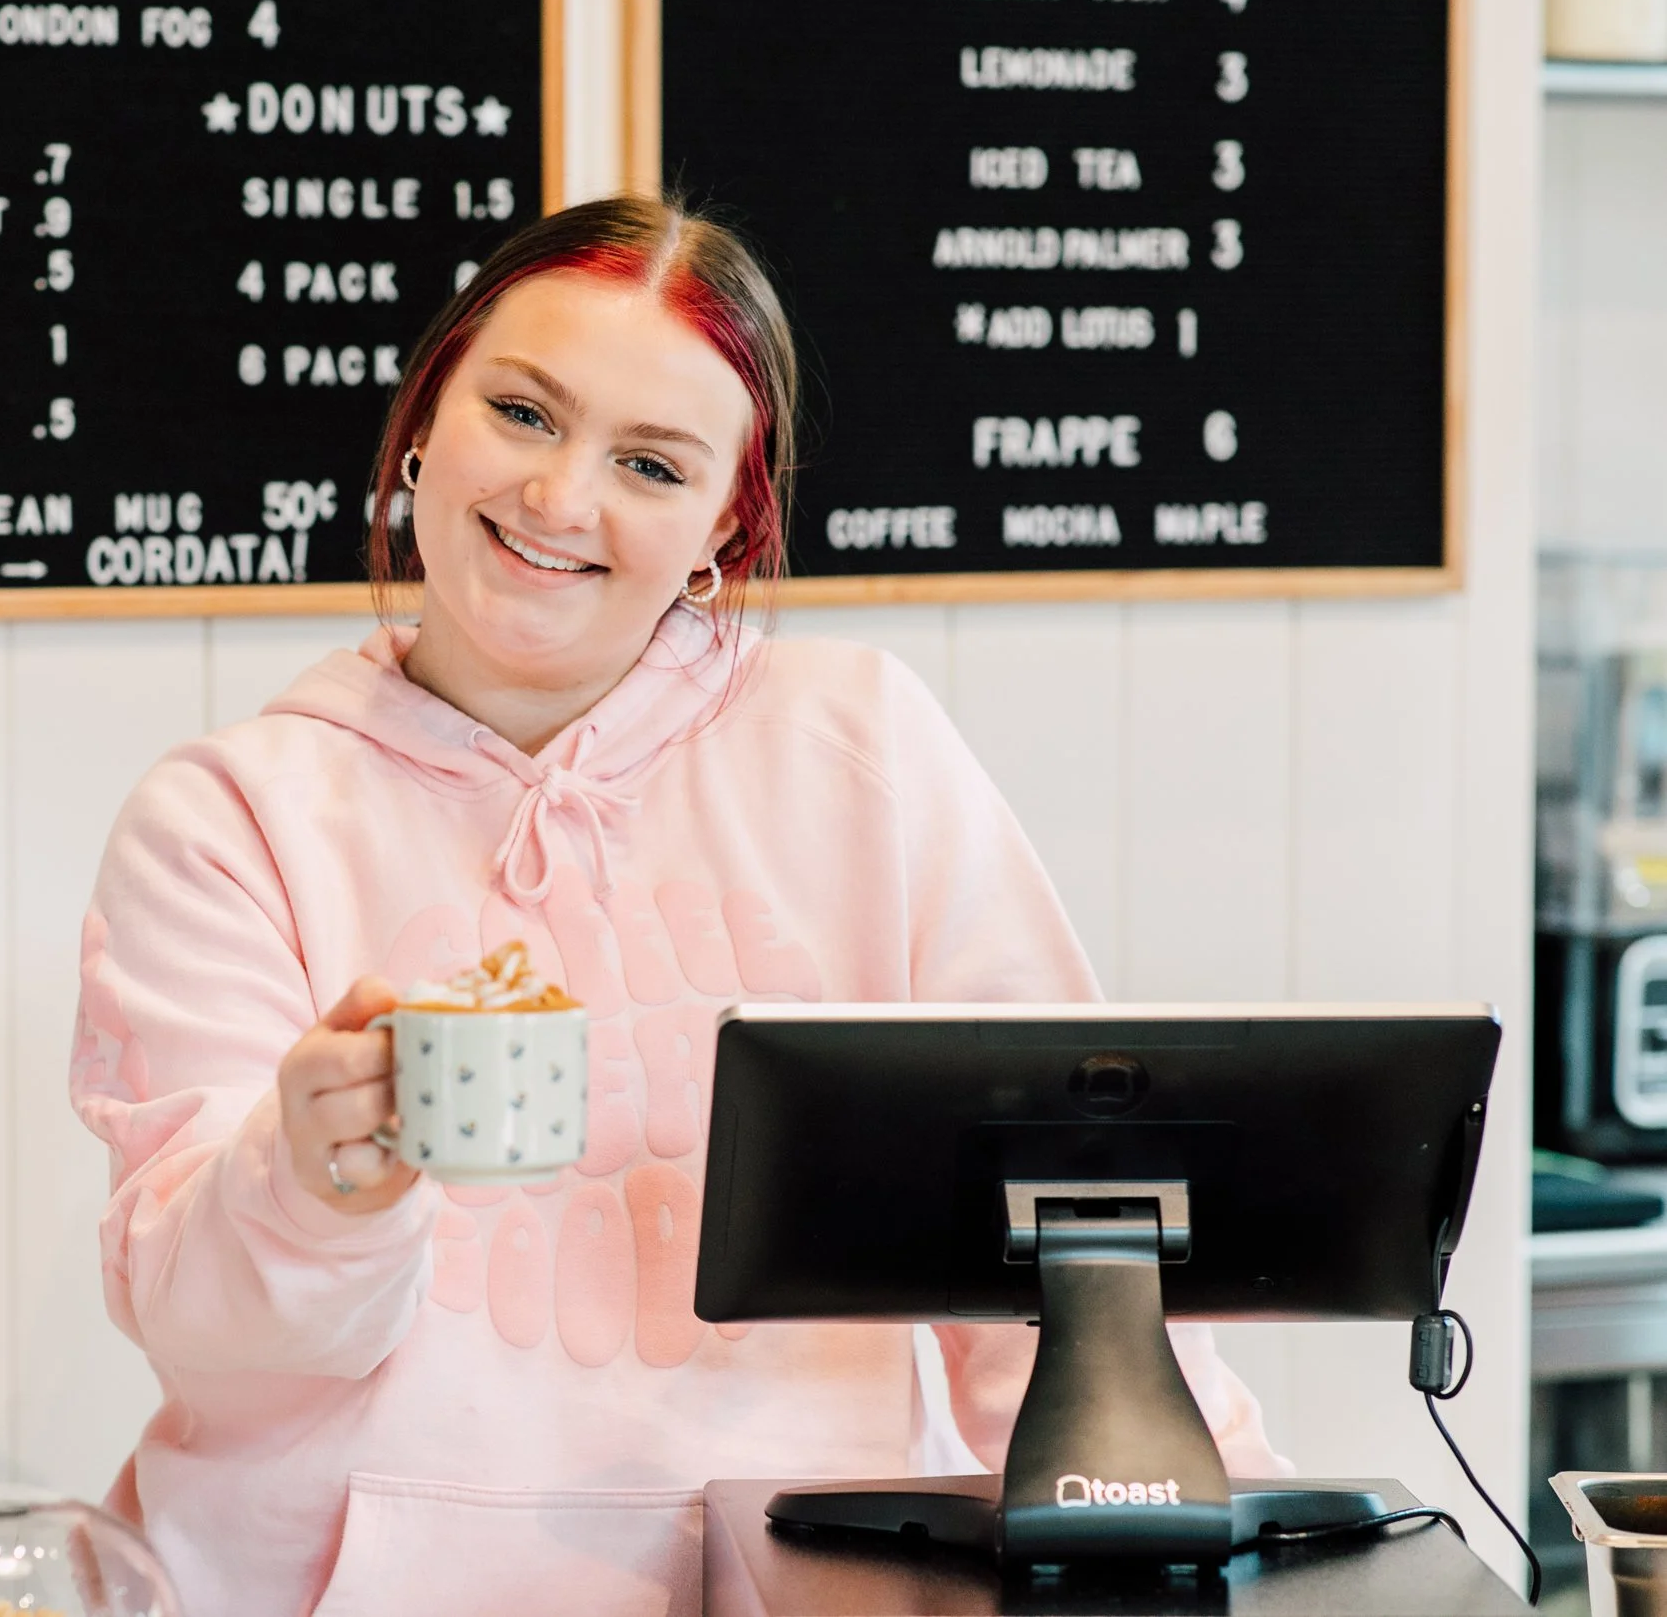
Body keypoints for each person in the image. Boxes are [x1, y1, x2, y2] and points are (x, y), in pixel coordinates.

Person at [70, 195, 1281, 1617]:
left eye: (651, 463)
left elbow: (1071, 1202)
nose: (561, 498)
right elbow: (204, 1337)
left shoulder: (865, 755)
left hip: (803, 1582)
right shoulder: (229, 820)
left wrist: (1228, 1535)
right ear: (424, 420)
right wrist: (312, 1183)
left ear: (724, 523)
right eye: (523, 413)